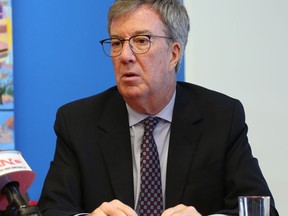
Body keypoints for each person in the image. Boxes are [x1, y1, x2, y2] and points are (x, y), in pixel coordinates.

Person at [38, 0, 279, 216]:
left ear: (174, 53)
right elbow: (52, 209)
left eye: (141, 41)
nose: (125, 56)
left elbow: (261, 209)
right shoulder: (78, 122)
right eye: (116, 43)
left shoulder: (221, 116)